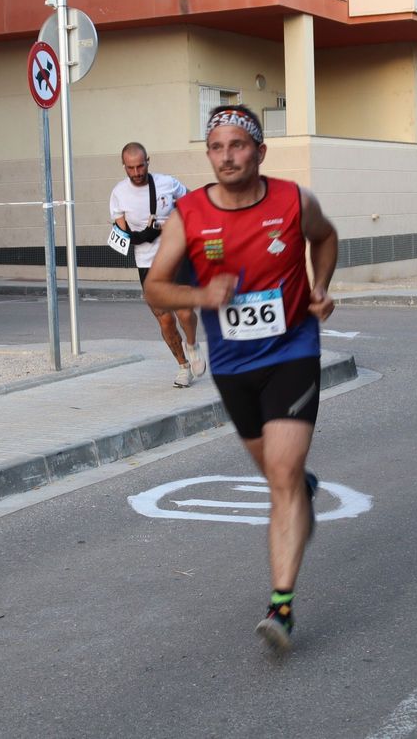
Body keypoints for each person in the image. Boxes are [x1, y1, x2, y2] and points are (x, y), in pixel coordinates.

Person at [145, 106, 338, 652]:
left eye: (237, 145)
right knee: (278, 476)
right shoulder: (189, 214)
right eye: (216, 147)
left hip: (292, 350)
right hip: (232, 366)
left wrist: (321, 286)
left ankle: (281, 607)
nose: (226, 157)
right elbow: (155, 287)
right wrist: (201, 294)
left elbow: (325, 238)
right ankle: (299, 492)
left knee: (282, 473)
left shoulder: (293, 202)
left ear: (259, 151)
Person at [110, 142, 205, 387]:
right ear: (124, 166)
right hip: (146, 262)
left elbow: (192, 202)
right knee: (164, 319)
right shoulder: (119, 193)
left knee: (184, 311)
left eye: (140, 166)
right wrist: (143, 235)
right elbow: (124, 235)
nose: (136, 172)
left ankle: (192, 344)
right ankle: (183, 367)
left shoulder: (167, 183)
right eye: (130, 168)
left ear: (148, 161)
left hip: (175, 253)